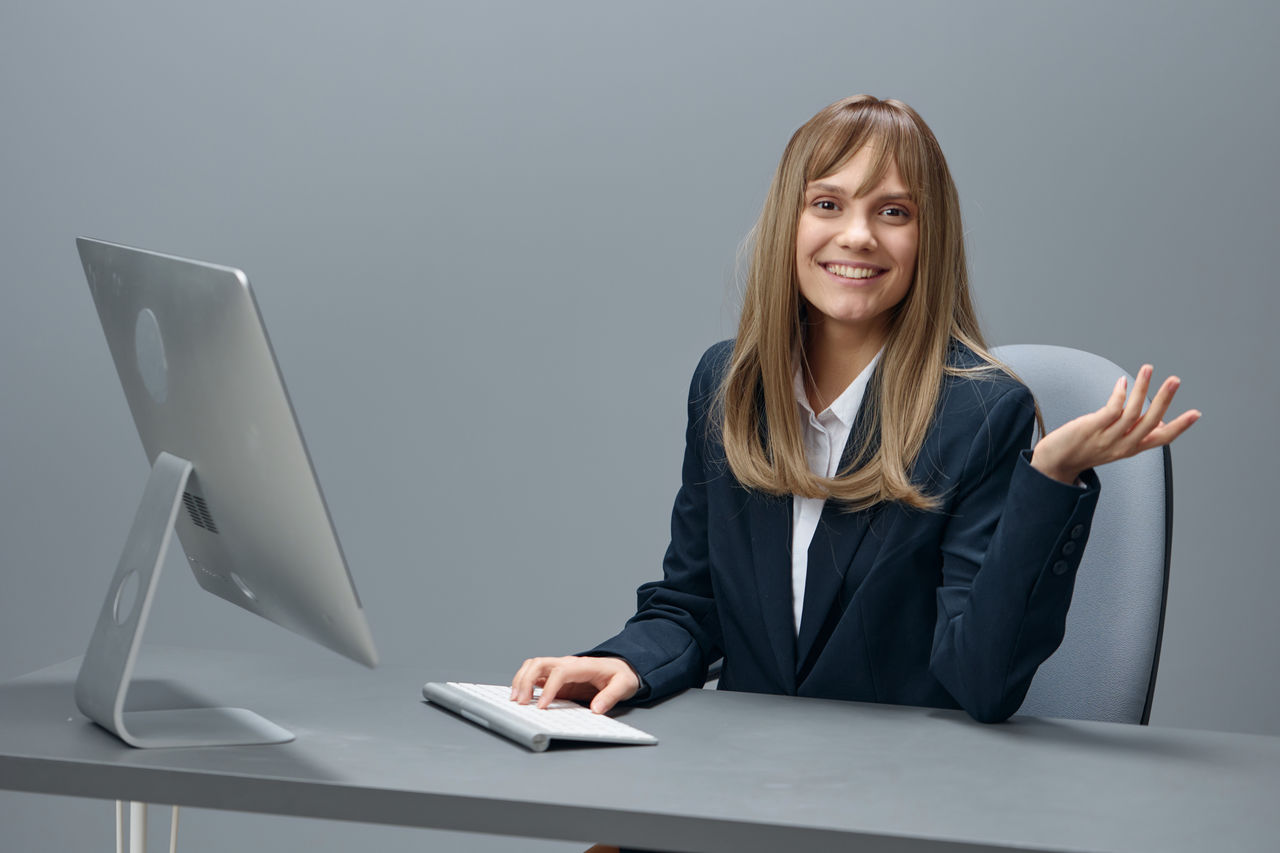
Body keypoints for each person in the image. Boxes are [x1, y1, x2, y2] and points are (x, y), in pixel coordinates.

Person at [509, 95, 1199, 728]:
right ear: (791, 221)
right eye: (828, 204)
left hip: (891, 808)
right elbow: (694, 605)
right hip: (739, 796)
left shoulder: (983, 412)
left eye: (893, 212)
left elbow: (981, 681)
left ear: (928, 239)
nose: (859, 235)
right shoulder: (729, 384)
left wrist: (1050, 475)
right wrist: (627, 661)